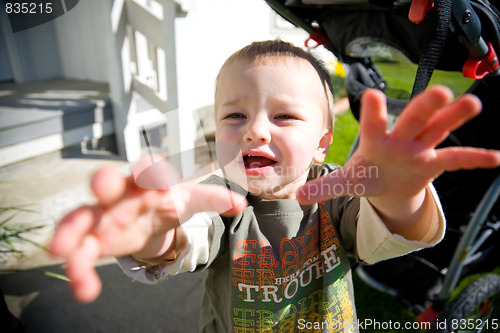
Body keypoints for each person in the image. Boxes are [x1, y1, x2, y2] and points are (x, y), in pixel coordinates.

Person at [50, 40, 500, 332]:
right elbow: (185, 238)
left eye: (283, 116)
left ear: (323, 144)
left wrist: (398, 194)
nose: (256, 131)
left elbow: (392, 231)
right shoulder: (222, 202)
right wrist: (153, 232)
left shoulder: (336, 195)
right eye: (235, 115)